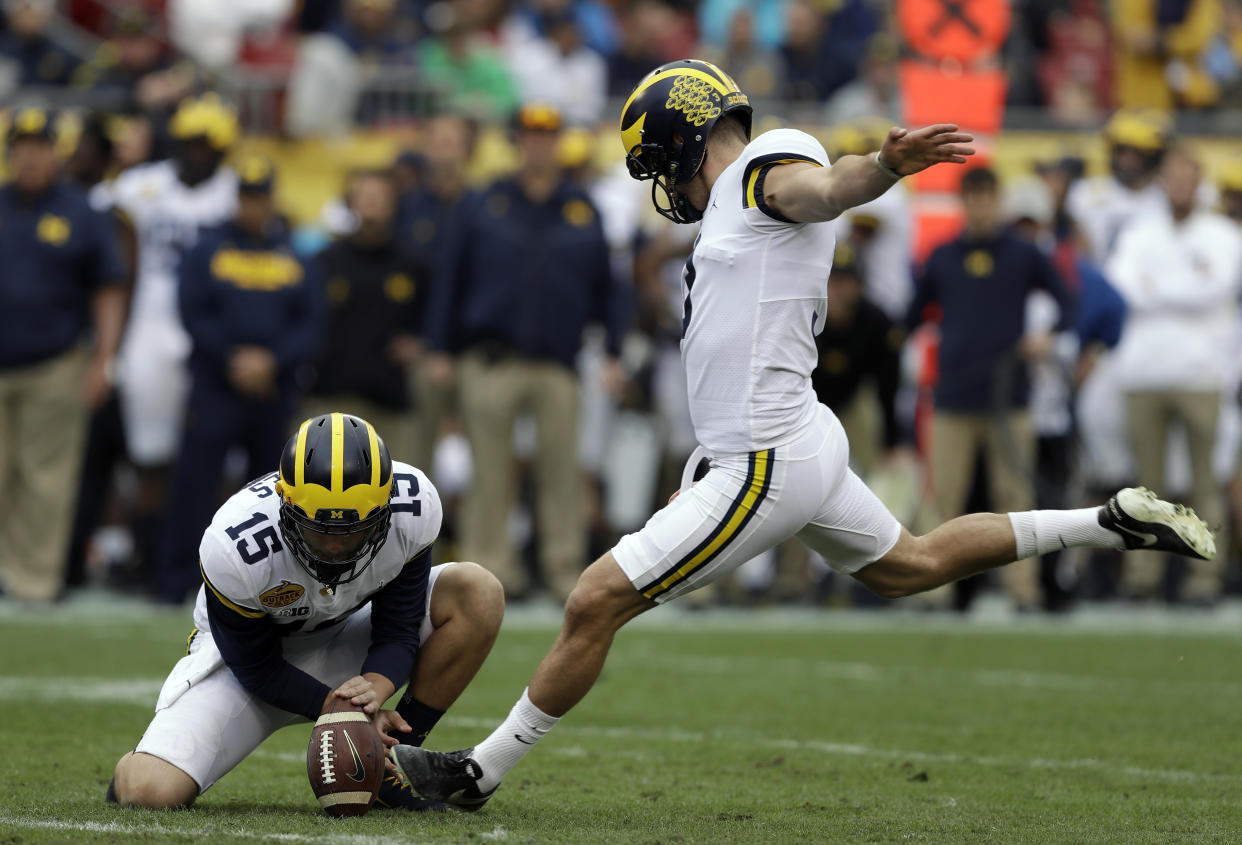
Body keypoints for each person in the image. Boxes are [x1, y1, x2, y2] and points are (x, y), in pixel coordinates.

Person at [388, 59, 1215, 808]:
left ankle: (478, 771)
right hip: (785, 441)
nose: (661, 183)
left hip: (766, 459)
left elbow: (820, 189)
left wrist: (884, 168)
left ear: (684, 137)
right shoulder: (739, 202)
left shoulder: (761, 165)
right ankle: (1103, 522)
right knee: (909, 564)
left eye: (659, 161)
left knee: (592, 599)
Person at [109, 413, 505, 811]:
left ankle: (390, 766)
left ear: (384, 508)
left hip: (347, 630)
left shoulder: (412, 506)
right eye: (319, 529)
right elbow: (253, 663)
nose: (334, 547)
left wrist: (374, 688)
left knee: (477, 592)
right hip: (248, 667)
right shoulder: (234, 544)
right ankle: (138, 761)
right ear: (286, 503)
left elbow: (399, 627)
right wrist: (345, 711)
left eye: (352, 530)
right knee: (149, 792)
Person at [427, 102, 629, 602]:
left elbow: (610, 288)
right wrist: (440, 347)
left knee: (563, 470)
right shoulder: (483, 202)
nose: (538, 145)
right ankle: (490, 574)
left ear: (558, 143)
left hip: (558, 361)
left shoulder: (583, 208)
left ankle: (564, 572)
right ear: (516, 143)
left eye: (547, 136)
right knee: (490, 472)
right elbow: (450, 277)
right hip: (490, 358)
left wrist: (615, 350)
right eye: (529, 136)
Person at [153, 156, 325, 604]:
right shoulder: (208, 248)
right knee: (194, 481)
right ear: (237, 199)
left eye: (260, 196)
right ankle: (176, 580)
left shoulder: (294, 252)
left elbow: (310, 320)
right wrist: (234, 358)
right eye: (247, 196)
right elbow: (192, 311)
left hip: (274, 388)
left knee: (272, 491)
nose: (253, 205)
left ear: (271, 199)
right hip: (215, 383)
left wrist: (271, 361)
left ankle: (266, 586)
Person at [908, 167, 1076, 611]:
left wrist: (1048, 336)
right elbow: (912, 312)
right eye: (973, 197)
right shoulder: (942, 256)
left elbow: (1069, 302)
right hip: (953, 395)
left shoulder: (1023, 254)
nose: (981, 206)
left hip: (1009, 396)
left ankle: (1024, 591)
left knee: (1015, 498)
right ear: (964, 201)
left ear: (998, 200)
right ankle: (934, 589)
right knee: (946, 495)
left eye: (988, 197)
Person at [109, 94, 240, 586]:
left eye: (206, 143)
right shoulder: (145, 186)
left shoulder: (232, 191)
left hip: (211, 326)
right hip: (151, 323)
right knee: (150, 451)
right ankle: (149, 554)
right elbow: (114, 232)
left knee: (214, 454)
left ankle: (216, 564)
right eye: (189, 141)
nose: (196, 152)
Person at [0, 108, 127, 602]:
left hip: (55, 362)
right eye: (20, 146)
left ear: (55, 152)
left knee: (46, 478)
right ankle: (6, 568)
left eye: (39, 145)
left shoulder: (83, 211)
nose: (29, 155)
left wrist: (104, 359)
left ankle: (34, 580)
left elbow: (109, 289)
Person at [1107, 147, 1242, 604]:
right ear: (1163, 181)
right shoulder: (1140, 231)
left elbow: (1217, 287)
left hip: (1201, 373)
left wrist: (1158, 288)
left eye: (1188, 177)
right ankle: (1143, 576)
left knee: (1205, 481)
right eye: (1173, 177)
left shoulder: (1223, 234)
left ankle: (1205, 577)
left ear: (1199, 181)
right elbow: (1124, 288)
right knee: (1145, 485)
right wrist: (1186, 285)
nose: (1179, 186)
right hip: (1143, 372)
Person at [307, 168, 424, 462]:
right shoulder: (324, 262)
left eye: (379, 197)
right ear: (350, 203)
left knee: (392, 497)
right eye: (364, 196)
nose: (371, 204)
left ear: (394, 205)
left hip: (391, 401)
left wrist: (421, 342)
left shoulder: (415, 265)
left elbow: (434, 320)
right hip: (329, 399)